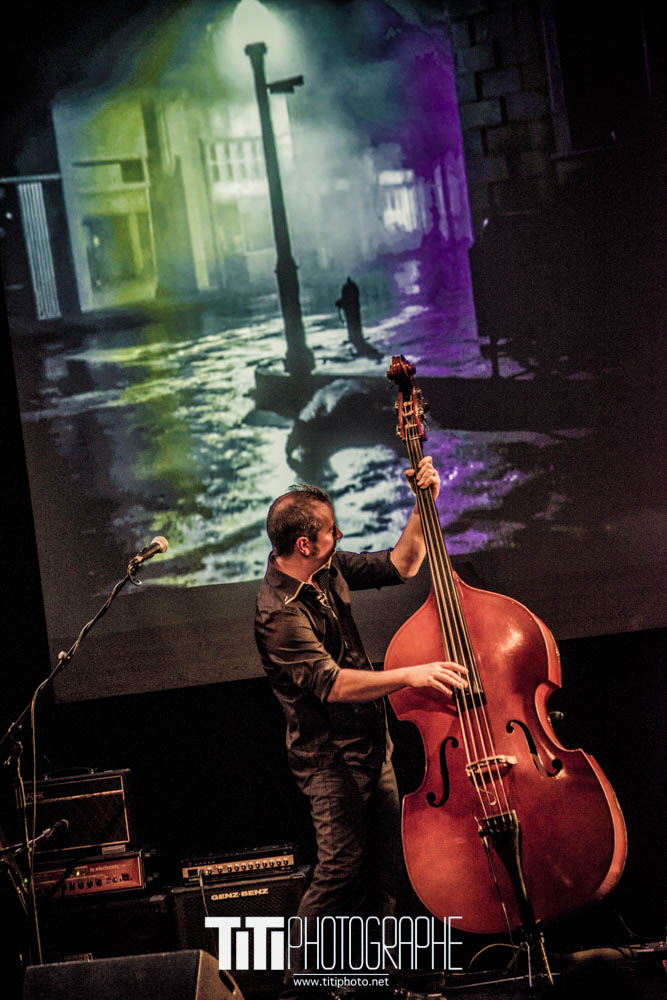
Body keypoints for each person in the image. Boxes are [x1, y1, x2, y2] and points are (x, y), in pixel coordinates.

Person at [254, 458, 468, 989]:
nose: (339, 535)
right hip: (329, 762)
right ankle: (303, 981)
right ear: (304, 543)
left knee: (384, 876)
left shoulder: (326, 569)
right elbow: (332, 683)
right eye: (331, 530)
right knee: (339, 874)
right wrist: (411, 674)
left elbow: (403, 563)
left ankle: (373, 980)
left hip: (373, 747)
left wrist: (424, 501)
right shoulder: (278, 613)